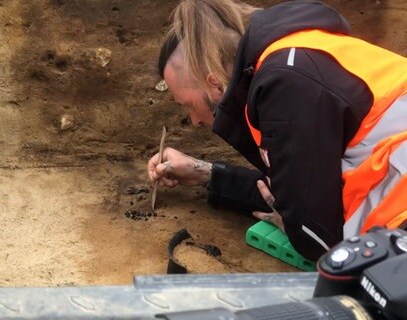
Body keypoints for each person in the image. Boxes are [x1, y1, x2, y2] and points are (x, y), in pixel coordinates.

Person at [148, 0, 407, 260]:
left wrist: (299, 231)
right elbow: (293, 194)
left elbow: (321, 240)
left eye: (189, 106)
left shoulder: (285, 85)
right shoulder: (295, 54)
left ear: (214, 83)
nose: (193, 120)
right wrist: (205, 174)